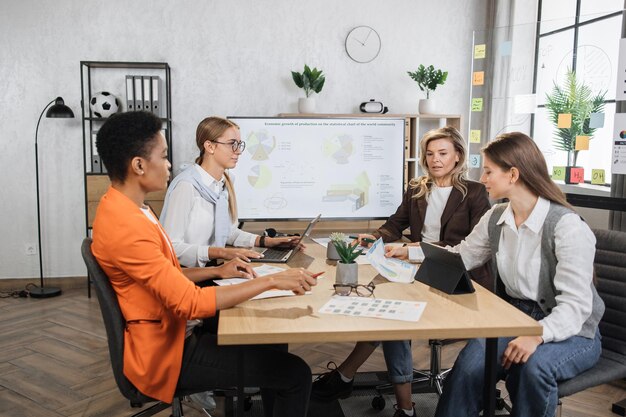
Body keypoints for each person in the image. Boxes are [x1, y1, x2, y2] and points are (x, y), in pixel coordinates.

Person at [91, 111, 318, 417]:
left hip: (175, 332)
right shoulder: (127, 226)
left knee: (274, 346)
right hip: (167, 353)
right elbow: (189, 303)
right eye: (164, 156)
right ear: (139, 165)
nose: (170, 165)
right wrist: (271, 281)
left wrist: (217, 270)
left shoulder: (129, 209)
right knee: (296, 375)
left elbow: (169, 272)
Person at [389, 132, 605, 417]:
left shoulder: (566, 227)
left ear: (513, 174)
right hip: (513, 318)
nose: (483, 177)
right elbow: (462, 256)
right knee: (467, 369)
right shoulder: (497, 216)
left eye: (489, 170)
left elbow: (576, 308)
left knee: (533, 368)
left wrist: (537, 336)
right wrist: (411, 252)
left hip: (573, 331)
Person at [311, 126, 491, 417]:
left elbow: (469, 245)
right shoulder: (418, 187)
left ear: (458, 156)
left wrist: (415, 248)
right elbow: (396, 223)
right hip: (416, 271)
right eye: (430, 154)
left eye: (443, 153)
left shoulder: (475, 192)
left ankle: (365, 387)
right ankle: (377, 393)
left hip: (457, 278)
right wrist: (376, 237)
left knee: (394, 321)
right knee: (387, 313)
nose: (435, 160)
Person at [160, 116, 300, 268]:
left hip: (214, 268)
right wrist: (220, 253)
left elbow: (227, 233)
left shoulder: (225, 183)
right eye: (232, 144)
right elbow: (172, 247)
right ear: (210, 146)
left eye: (239, 144)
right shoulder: (186, 186)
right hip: (187, 276)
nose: (238, 151)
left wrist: (266, 241)